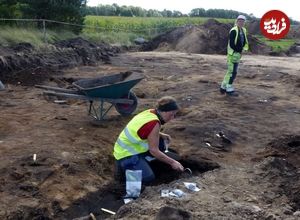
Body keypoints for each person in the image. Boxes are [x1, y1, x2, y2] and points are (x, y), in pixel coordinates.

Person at [113, 96, 184, 184]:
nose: (172, 118)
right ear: (164, 111)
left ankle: (145, 162)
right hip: (126, 155)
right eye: (171, 114)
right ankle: (129, 178)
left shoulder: (150, 112)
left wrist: (160, 134)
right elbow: (154, 151)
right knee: (148, 178)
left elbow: (143, 129)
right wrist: (173, 162)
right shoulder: (154, 123)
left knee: (161, 142)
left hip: (123, 149)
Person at [220, 14, 249, 96]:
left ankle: (223, 87)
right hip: (232, 54)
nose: (241, 22)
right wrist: (240, 50)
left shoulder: (243, 30)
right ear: (237, 21)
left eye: (242, 21)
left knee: (231, 72)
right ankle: (228, 89)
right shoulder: (234, 30)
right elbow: (232, 44)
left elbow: (244, 41)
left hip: (237, 55)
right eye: (239, 21)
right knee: (232, 72)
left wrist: (243, 49)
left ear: (244, 22)